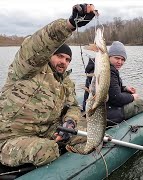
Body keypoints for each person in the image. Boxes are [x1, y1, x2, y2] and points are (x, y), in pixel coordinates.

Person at [0, 4, 96, 167]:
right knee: (48, 150)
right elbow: (36, 46)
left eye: (67, 60)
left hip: (46, 132)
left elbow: (73, 106)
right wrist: (70, 24)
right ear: (49, 54)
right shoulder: (27, 69)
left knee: (89, 131)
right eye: (60, 56)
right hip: (10, 137)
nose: (63, 62)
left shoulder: (66, 82)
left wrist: (70, 123)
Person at [106, 41, 143, 126]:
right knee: (140, 103)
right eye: (117, 58)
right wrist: (132, 97)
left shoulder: (108, 68)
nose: (120, 62)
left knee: (128, 94)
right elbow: (117, 99)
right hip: (106, 113)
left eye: (123, 59)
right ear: (109, 57)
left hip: (106, 105)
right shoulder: (109, 71)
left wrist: (124, 88)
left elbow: (110, 89)